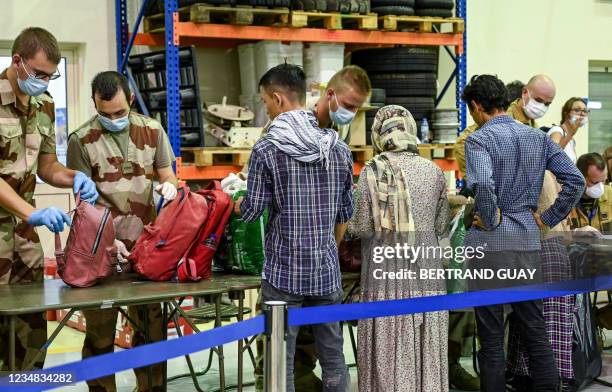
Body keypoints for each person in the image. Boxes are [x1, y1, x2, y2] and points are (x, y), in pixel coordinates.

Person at [248, 65, 371, 392]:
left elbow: (252, 210)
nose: (266, 110)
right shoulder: (340, 150)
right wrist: (326, 247)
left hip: (283, 272)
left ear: (276, 99)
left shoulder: (267, 148)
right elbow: (345, 211)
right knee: (333, 354)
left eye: (265, 102)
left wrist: (231, 205)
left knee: (280, 358)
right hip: (325, 271)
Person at [461, 74, 584, 392]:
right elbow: (576, 181)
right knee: (535, 330)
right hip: (527, 242)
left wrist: (488, 219)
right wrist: (547, 217)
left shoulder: (479, 139)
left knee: (490, 339)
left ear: (476, 106)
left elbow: (484, 184)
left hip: (489, 249)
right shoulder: (538, 138)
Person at [67, 71, 178, 391]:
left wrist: (168, 188)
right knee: (100, 333)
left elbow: (167, 174)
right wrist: (106, 238)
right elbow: (82, 204)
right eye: (105, 114)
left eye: (119, 113)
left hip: (147, 248)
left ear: (130, 99)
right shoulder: (81, 139)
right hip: (101, 251)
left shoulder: (152, 130)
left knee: (151, 328)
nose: (113, 119)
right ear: (94, 104)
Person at [0, 27, 98, 371]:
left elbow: (47, 165)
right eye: (39, 73)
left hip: (24, 241)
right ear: (17, 61)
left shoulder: (44, 103)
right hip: (11, 225)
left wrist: (74, 178)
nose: (44, 81)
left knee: (30, 333)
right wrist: (32, 213)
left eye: (51, 75)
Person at [349, 105, 450, 391]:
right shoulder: (434, 170)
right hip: (428, 270)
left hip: (386, 270)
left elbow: (362, 227)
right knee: (425, 341)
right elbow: (441, 225)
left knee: (390, 339)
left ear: (379, 134)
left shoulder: (373, 170)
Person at [568, 153, 611, 234]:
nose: (600, 187)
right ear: (580, 177)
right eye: (595, 182)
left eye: (603, 181)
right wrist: (575, 233)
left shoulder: (610, 194)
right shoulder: (564, 199)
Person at [546, 98, 589, 164]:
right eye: (577, 110)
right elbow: (551, 155)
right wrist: (570, 134)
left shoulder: (572, 140)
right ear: (566, 113)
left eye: (585, 111)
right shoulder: (557, 131)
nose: (582, 113)